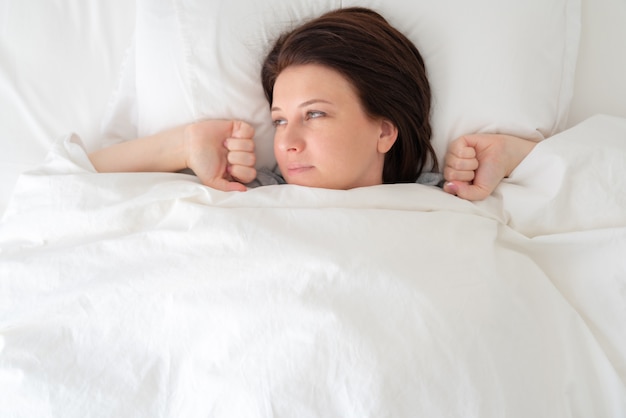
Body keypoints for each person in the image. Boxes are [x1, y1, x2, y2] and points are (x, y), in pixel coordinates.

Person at [89, 7, 535, 201]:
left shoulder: (445, 198)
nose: (288, 143)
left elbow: (596, 183)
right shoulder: (246, 191)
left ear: (384, 130)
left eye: (314, 114)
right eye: (280, 121)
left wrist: (514, 154)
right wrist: (184, 146)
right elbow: (71, 182)